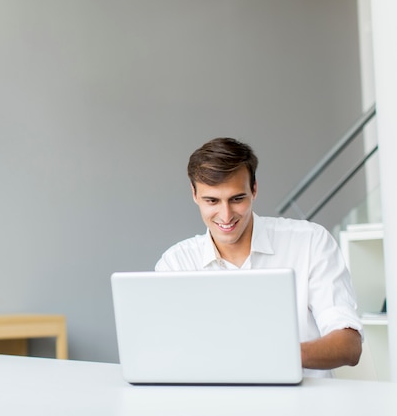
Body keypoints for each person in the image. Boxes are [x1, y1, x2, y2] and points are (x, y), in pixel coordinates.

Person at [155, 137, 363, 378]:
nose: (226, 215)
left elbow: (349, 345)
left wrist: (270, 356)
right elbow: (166, 351)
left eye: (237, 199)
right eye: (212, 200)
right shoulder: (176, 264)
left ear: (254, 189)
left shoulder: (310, 242)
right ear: (194, 194)